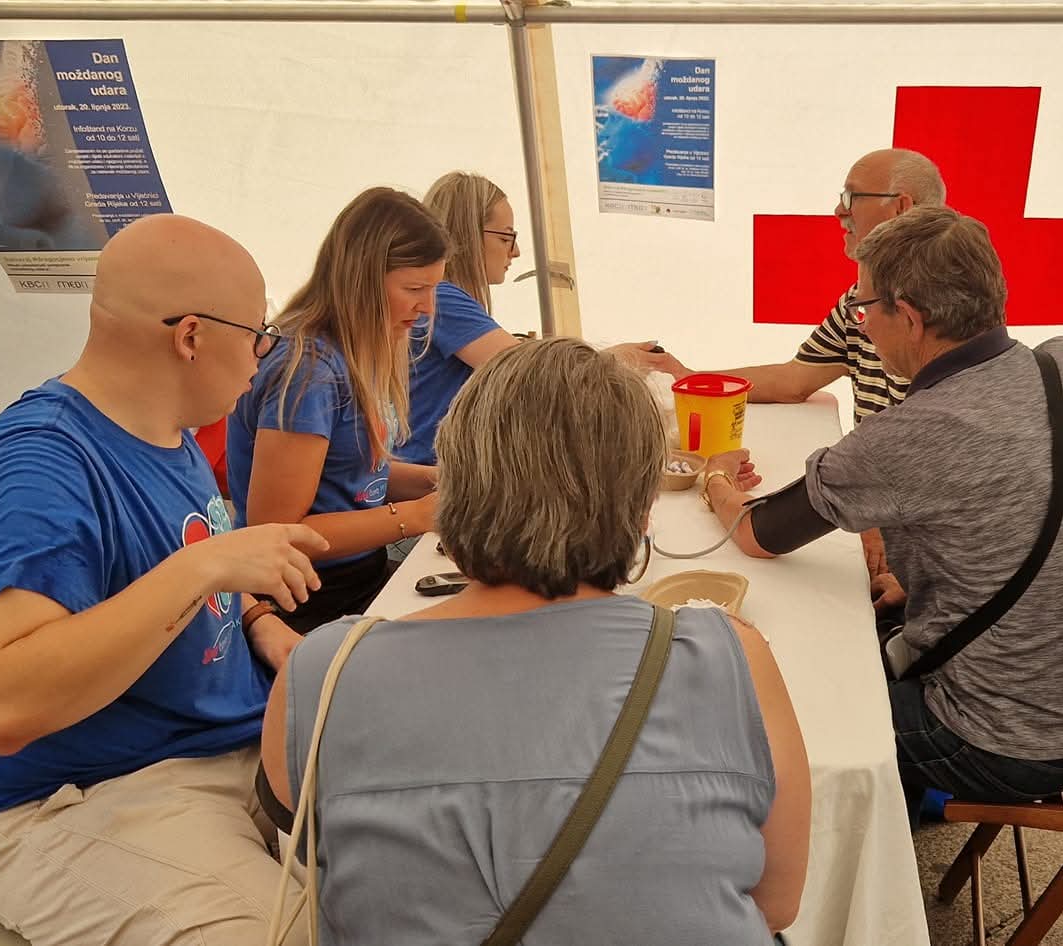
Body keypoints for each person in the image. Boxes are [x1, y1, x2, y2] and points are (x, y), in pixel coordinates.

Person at [259, 337, 811, 942]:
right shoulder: (731, 655)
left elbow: (322, 850)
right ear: (640, 508)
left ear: (452, 490)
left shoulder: (325, 671)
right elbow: (777, 902)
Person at [0, 213, 330, 944]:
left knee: (413, 875)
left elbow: (182, 574)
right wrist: (204, 565)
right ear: (190, 336)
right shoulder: (39, 466)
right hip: (74, 797)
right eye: (257, 334)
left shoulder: (164, 433)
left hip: (215, 747)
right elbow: (3, 703)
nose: (261, 356)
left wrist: (260, 622)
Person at [697, 205, 1063, 822]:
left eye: (863, 309)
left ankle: (851, 847)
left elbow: (756, 532)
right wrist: (929, 588)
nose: (860, 326)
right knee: (847, 623)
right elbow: (1036, 503)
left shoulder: (914, 433)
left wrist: (715, 477)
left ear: (908, 318)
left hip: (1004, 742)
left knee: (753, 705)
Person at [689, 148, 947, 617]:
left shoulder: (940, 350)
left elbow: (756, 533)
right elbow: (794, 379)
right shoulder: (863, 303)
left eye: (851, 197)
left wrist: (715, 480)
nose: (837, 212)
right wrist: (691, 378)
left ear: (901, 207)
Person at [225, 186, 444, 632]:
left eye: (433, 289)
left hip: (358, 579)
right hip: (305, 601)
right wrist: (417, 516)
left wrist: (435, 481)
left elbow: (353, 474)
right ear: (362, 280)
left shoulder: (353, 350)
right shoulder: (308, 371)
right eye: (414, 289)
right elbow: (278, 532)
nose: (426, 308)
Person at [400, 170, 687, 465]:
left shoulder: (449, 300)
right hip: (427, 470)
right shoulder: (443, 299)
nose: (516, 251)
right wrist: (611, 361)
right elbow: (534, 376)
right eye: (506, 237)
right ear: (467, 235)